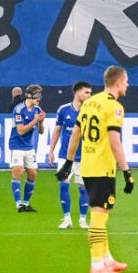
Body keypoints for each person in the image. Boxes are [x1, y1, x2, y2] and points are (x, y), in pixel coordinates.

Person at [73, 66, 133, 273]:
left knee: (103, 211)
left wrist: (68, 162)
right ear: (118, 82)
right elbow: (115, 141)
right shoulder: (114, 107)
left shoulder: (89, 102)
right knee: (99, 214)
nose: (127, 84)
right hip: (102, 167)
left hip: (88, 165)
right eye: (126, 81)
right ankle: (97, 264)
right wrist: (126, 171)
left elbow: (76, 133)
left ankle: (106, 258)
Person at [49, 82, 91, 229]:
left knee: (83, 188)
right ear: (77, 93)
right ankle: (67, 219)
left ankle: (82, 220)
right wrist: (51, 151)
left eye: (90, 93)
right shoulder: (64, 110)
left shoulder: (91, 111)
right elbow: (57, 131)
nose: (89, 96)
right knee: (63, 185)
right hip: (65, 157)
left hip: (84, 157)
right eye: (86, 92)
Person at [8, 85, 46, 213]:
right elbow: (21, 130)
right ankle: (19, 204)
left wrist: (40, 122)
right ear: (29, 95)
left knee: (33, 174)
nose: (39, 98)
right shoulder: (19, 109)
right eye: (37, 95)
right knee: (18, 171)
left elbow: (41, 132)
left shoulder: (38, 109)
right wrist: (35, 120)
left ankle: (26, 203)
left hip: (29, 146)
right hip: (17, 144)